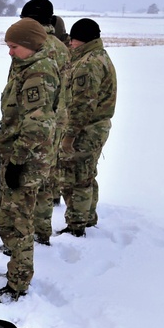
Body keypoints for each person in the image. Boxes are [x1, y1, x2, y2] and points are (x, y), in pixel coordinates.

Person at [0, 19, 59, 303]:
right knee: (11, 219)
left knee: (20, 223)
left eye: (14, 46)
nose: (10, 52)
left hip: (25, 160)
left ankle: (17, 285)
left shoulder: (38, 74)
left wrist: (16, 162)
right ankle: (16, 272)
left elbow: (37, 126)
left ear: (30, 45)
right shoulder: (25, 67)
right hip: (17, 155)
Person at [57, 18, 117, 237]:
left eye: (73, 39)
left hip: (85, 130)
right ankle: (88, 218)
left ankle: (77, 226)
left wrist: (69, 136)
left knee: (75, 177)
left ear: (80, 40)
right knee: (87, 174)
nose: (70, 43)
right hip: (95, 127)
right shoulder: (97, 56)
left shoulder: (87, 64)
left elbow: (82, 106)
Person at [19, 0, 71, 245]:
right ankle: (41, 231)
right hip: (57, 122)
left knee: (26, 182)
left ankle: (23, 240)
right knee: (47, 178)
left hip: (35, 122)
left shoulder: (34, 45)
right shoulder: (62, 47)